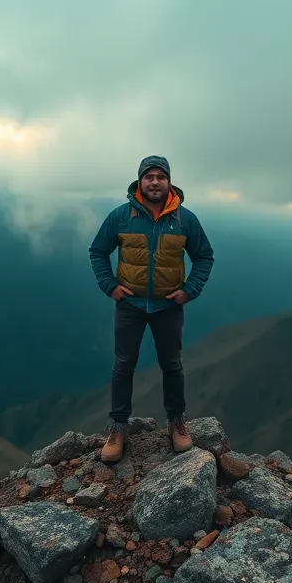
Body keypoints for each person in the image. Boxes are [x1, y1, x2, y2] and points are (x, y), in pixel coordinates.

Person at [88, 155, 215, 463]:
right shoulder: (121, 217)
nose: (155, 181)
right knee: (124, 365)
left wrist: (189, 291)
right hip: (130, 305)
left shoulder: (185, 220)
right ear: (140, 182)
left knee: (172, 364)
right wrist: (110, 286)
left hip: (168, 306)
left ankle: (176, 421)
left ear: (169, 181)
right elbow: (98, 251)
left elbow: (204, 257)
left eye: (160, 176)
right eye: (149, 176)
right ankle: (118, 426)